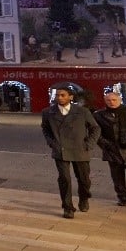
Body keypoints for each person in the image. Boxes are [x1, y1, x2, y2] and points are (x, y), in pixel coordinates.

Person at [41, 86, 100, 219]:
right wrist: (51, 142)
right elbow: (45, 128)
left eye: (63, 95)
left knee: (84, 180)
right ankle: (68, 207)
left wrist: (89, 144)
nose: (59, 98)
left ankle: (84, 198)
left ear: (71, 97)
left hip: (80, 150)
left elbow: (95, 128)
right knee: (64, 179)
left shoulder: (82, 111)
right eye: (57, 95)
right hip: (60, 150)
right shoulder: (48, 112)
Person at [94, 90, 126, 207]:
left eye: (114, 100)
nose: (111, 102)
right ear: (105, 101)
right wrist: (105, 144)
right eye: (108, 100)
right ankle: (123, 197)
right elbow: (95, 133)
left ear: (120, 100)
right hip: (112, 150)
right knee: (117, 176)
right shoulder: (99, 115)